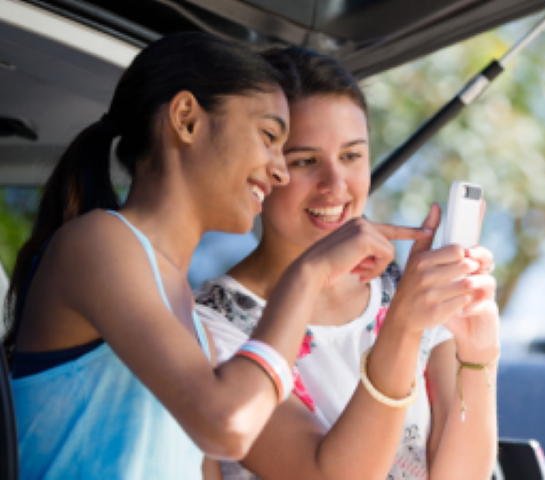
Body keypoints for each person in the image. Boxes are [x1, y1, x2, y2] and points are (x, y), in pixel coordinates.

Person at [3, 33, 429, 479]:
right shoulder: (96, 244)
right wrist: (310, 271)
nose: (278, 168)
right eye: (268, 136)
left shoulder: (186, 312)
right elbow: (227, 425)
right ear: (187, 120)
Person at [195, 47, 500, 479]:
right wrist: (403, 327)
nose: (335, 185)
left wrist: (480, 354)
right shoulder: (211, 326)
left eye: (352, 156)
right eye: (305, 161)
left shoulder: (407, 292)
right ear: (263, 169)